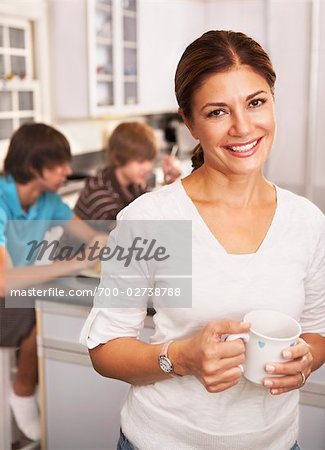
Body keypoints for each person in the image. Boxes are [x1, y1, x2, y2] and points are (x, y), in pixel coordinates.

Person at [80, 31, 325, 450]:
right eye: (217, 112)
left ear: (272, 101)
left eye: (256, 102)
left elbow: (318, 333)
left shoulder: (306, 221)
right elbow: (105, 348)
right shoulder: (150, 219)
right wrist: (181, 358)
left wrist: (305, 362)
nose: (243, 127)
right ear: (190, 121)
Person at [0, 123, 105, 441]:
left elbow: (95, 237)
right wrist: (74, 263)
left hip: (19, 290)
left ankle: (39, 391)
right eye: (59, 164)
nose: (67, 171)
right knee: (43, 314)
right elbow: (4, 282)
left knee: (53, 307)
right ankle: (22, 390)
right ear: (34, 167)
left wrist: (96, 247)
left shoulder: (48, 201)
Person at [74, 121, 181, 222]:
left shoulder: (134, 183)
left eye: (150, 160)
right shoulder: (101, 196)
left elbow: (153, 208)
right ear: (119, 158)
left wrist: (170, 182)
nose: (148, 167)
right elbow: (132, 232)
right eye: (140, 161)